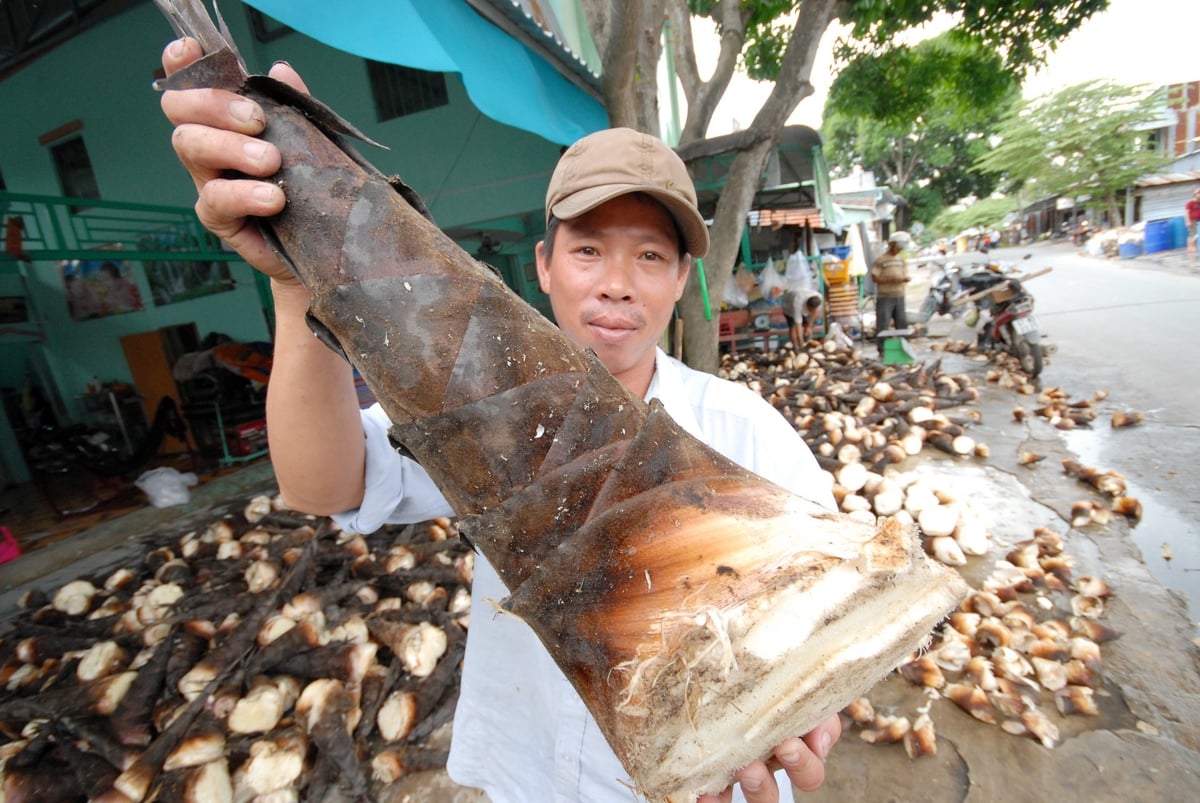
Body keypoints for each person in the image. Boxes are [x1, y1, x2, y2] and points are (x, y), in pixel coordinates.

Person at [159, 37, 840, 803]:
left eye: (650, 256)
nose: (617, 283)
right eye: (589, 249)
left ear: (683, 280)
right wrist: (296, 282)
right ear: (544, 265)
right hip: (534, 772)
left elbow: (824, 612)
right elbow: (325, 484)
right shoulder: (472, 408)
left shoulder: (747, 432)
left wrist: (815, 702)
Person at [871, 232, 909, 359]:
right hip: (885, 296)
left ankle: (903, 348)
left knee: (901, 323)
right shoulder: (881, 260)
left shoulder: (901, 260)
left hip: (899, 295)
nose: (899, 250)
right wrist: (890, 280)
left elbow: (904, 274)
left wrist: (904, 279)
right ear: (892, 245)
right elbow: (874, 277)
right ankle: (882, 350)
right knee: (883, 324)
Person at [780, 237, 822, 346]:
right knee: (793, 325)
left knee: (806, 324)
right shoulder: (798, 303)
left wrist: (809, 327)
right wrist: (802, 343)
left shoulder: (818, 297)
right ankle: (796, 345)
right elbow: (798, 325)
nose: (811, 311)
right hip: (788, 304)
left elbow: (814, 312)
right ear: (806, 305)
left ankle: (807, 341)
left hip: (798, 295)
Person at [1186, 188, 1200, 256]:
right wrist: (1187, 221)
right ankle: (1190, 248)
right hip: (1192, 221)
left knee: (1197, 235)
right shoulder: (1190, 203)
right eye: (1199, 193)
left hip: (1199, 221)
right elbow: (1186, 213)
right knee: (1192, 234)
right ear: (1195, 194)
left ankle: (1195, 247)